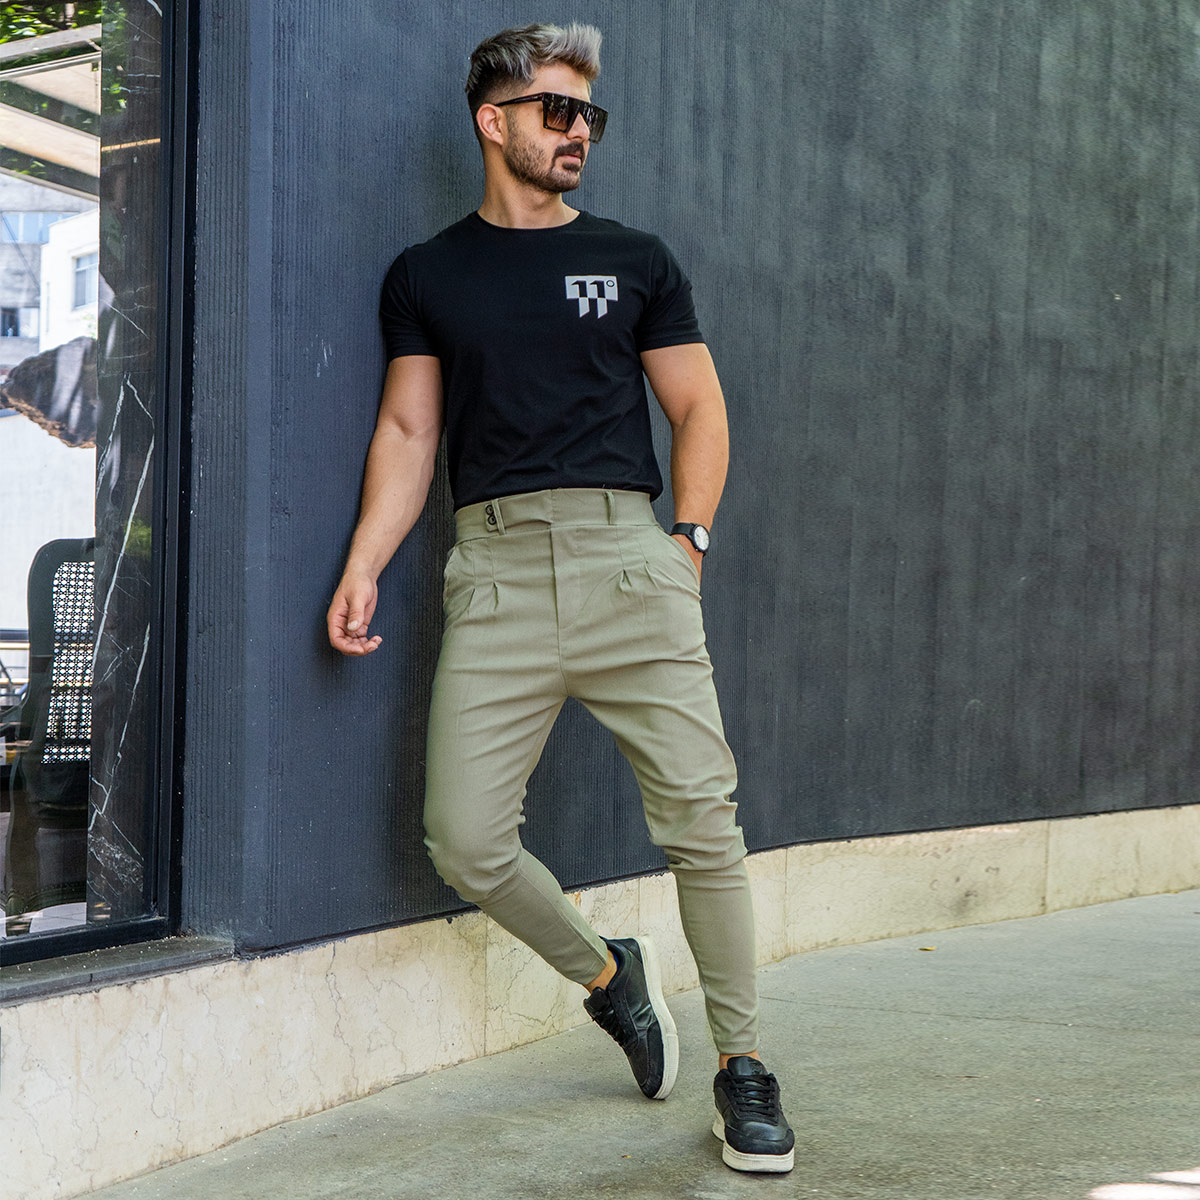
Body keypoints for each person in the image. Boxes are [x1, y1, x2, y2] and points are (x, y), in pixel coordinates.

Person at [326, 22, 793, 1174]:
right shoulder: (428, 274)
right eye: (557, 110)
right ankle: (607, 974)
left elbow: (700, 407)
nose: (579, 130)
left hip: (627, 560)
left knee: (704, 826)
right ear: (494, 122)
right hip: (493, 574)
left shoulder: (635, 260)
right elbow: (409, 431)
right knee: (465, 840)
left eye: (590, 114)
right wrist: (366, 561)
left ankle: (743, 1066)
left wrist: (686, 542)